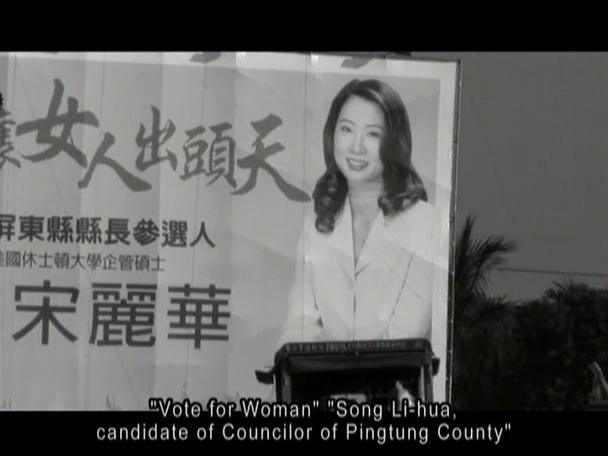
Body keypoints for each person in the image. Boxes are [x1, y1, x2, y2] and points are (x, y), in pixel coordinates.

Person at [277, 78, 440, 349]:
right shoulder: (316, 224)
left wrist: (329, 365)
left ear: (393, 143)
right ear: (332, 135)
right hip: (320, 377)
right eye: (346, 129)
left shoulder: (424, 223)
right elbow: (299, 326)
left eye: (373, 134)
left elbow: (405, 341)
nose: (356, 147)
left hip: (394, 376)